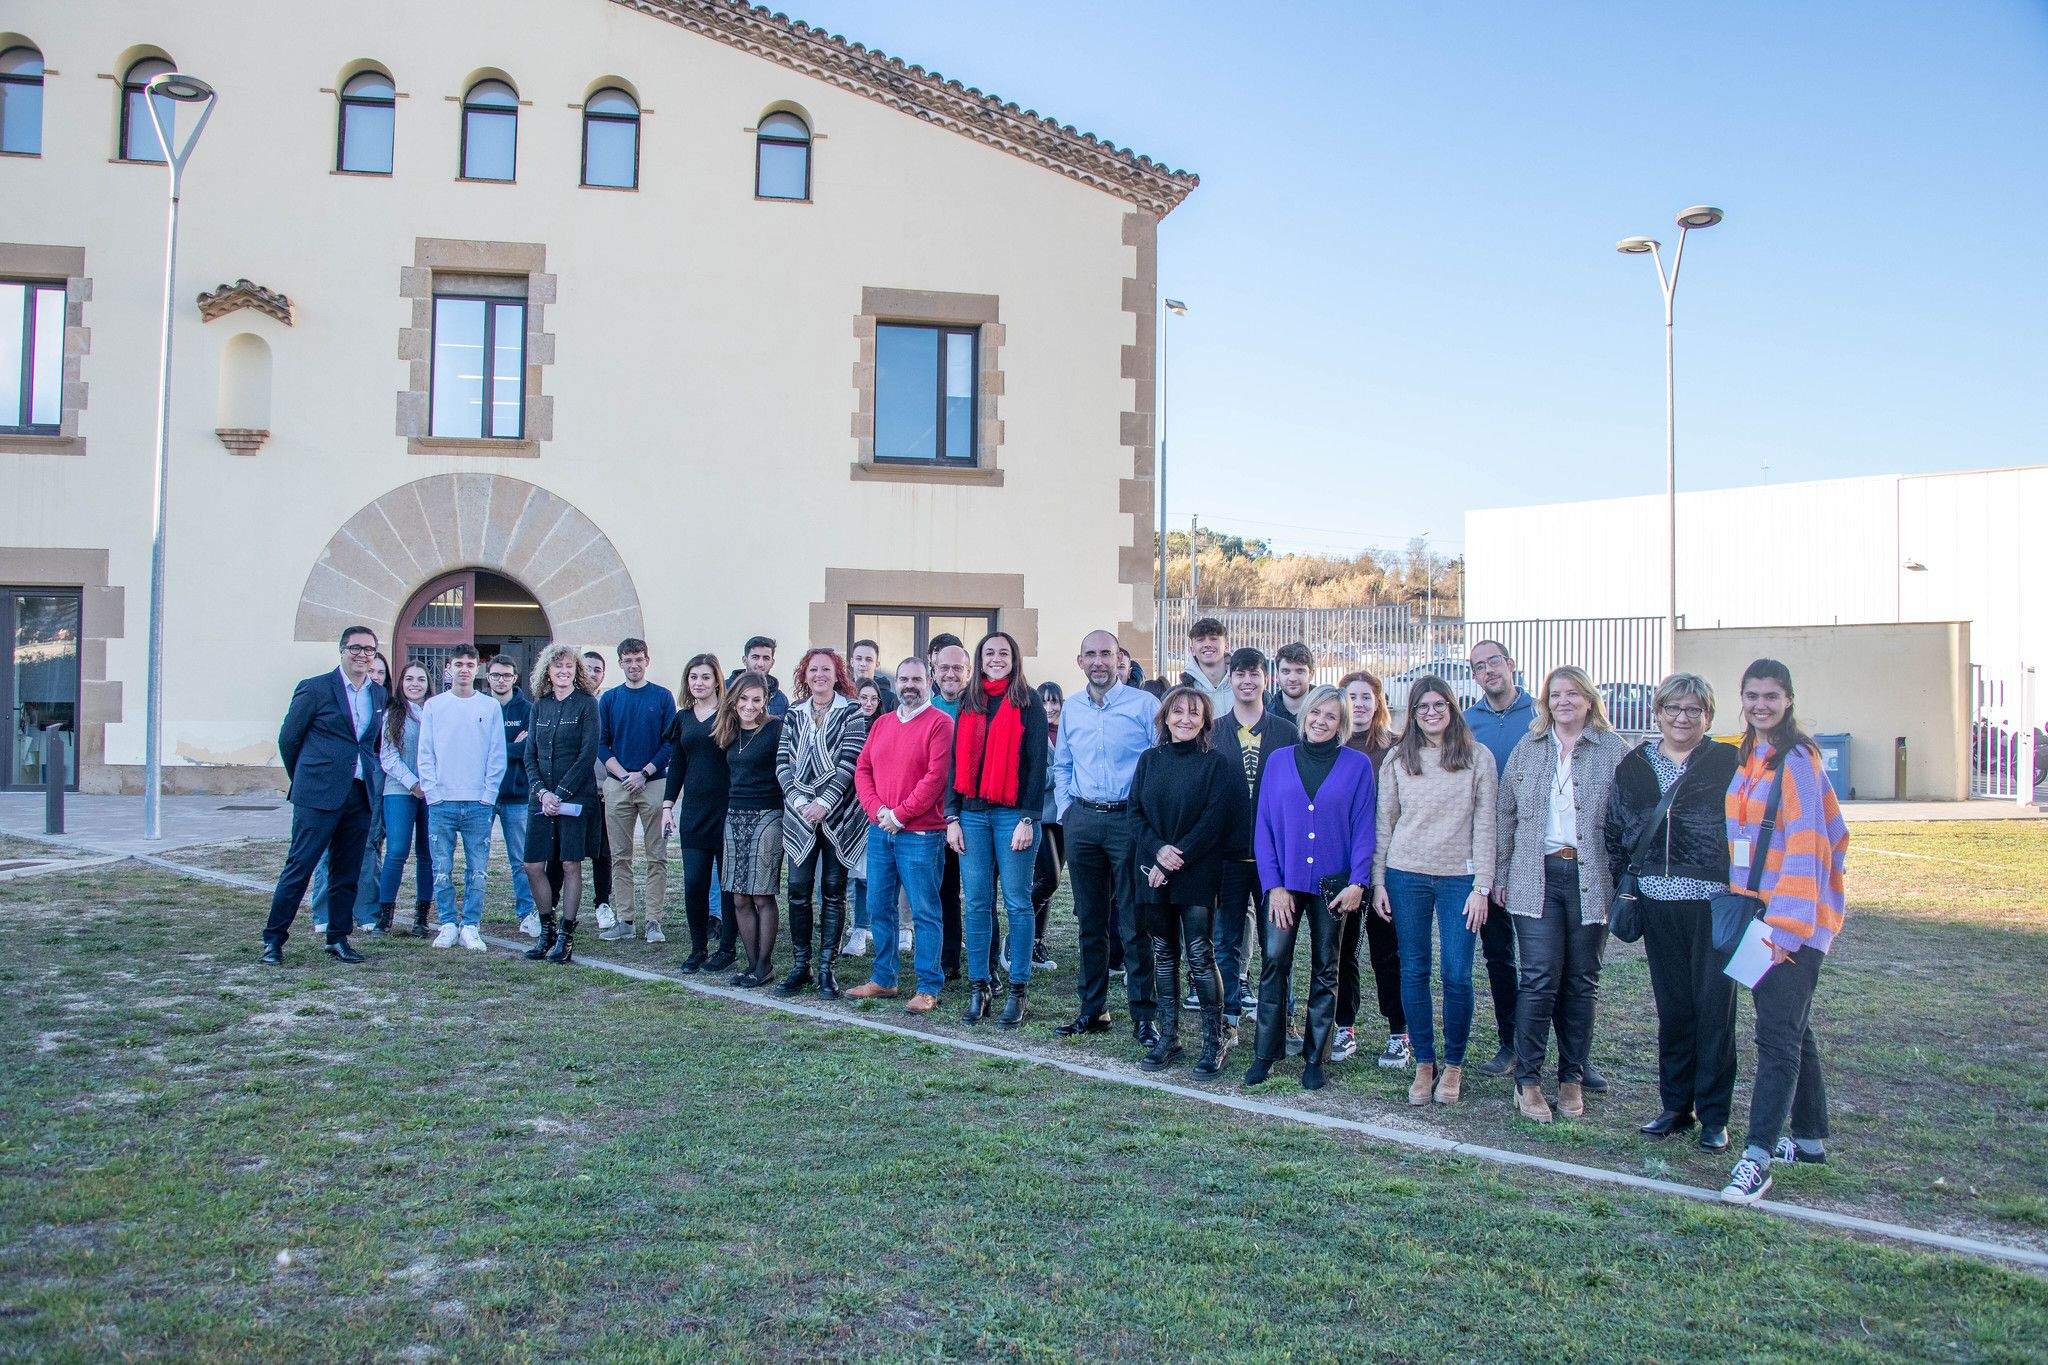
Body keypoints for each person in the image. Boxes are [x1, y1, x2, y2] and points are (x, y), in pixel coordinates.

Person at [1718, 659, 1849, 1206]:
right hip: (1762, 911)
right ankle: (1811, 1140)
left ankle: (1758, 1156)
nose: (1760, 705)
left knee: (1775, 1040)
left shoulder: (1795, 760)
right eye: (1751, 696)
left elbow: (1810, 846)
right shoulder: (1752, 754)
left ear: (1789, 700)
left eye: (1771, 696)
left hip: (1788, 922)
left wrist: (1787, 930)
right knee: (1792, 1026)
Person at [1603, 672, 1741, 1150]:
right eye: (1673, 709)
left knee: (1715, 1010)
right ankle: (1675, 1105)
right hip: (1659, 901)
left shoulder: (1727, 760)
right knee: (1674, 1008)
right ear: (1657, 712)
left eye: (1693, 710)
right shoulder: (1636, 764)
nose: (1682, 718)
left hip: (1712, 903)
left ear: (1708, 716)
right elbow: (1617, 825)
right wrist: (1631, 883)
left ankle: (1715, 1114)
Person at [1494, 666, 1627, 1123]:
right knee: (1538, 977)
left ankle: (1571, 1077)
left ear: (1589, 700)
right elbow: (1505, 815)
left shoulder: (1612, 750)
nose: (1563, 702)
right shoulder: (1528, 750)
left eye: (1573, 694)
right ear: (1545, 702)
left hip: (1591, 878)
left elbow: (1627, 821)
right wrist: (1499, 873)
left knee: (1581, 981)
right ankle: (1527, 1081)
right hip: (1536, 874)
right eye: (1555, 695)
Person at [1371, 676, 1497, 1106]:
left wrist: (1483, 884)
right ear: (1412, 711)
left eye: (1438, 704)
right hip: (1406, 875)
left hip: (1459, 880)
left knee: (1458, 973)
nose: (1430, 712)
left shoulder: (1477, 758)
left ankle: (1454, 1065)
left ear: (1452, 707)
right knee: (1414, 970)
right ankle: (1425, 1063)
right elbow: (1384, 822)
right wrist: (1379, 881)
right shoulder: (1397, 759)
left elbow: (1486, 825)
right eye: (1421, 706)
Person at [1247, 685, 1377, 1090]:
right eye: (1315, 713)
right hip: (1284, 884)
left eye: (1331, 717)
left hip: (1332, 887)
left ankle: (1315, 1057)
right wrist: (1274, 886)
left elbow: (1364, 827)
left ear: (1341, 725)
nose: (1321, 721)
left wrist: (1358, 881)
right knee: (1274, 964)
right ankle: (1265, 1054)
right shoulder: (1279, 761)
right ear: (1305, 716)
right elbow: (1264, 827)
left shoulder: (1356, 766)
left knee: (1327, 968)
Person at [1131, 685, 1246, 1076]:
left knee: (1199, 953)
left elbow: (1214, 820)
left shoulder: (1216, 764)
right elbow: (1136, 815)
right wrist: (1158, 852)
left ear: (1205, 721)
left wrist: (1176, 856)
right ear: (1165, 717)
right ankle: (1169, 1036)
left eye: (1194, 713)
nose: (1185, 719)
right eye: (1177, 711)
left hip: (1196, 871)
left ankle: (1213, 1041)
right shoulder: (1149, 760)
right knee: (1163, 953)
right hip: (1153, 871)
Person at [1052, 630, 1161, 1044]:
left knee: (1134, 922)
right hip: (1082, 822)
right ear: (1080, 661)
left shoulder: (1144, 706)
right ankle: (1092, 1009)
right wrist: (1067, 812)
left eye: (1106, 654)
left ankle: (1143, 1014)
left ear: (1121, 661)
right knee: (1090, 921)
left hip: (1127, 823)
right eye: (1090, 654)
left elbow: (1159, 764)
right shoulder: (1073, 709)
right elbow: (1061, 765)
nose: (1099, 661)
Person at [261, 626, 389, 965]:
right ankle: (273, 940)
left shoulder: (377, 694)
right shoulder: (315, 689)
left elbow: (370, 744)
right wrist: (306, 779)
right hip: (317, 795)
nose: (362, 654)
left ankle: (338, 938)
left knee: (347, 871)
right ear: (342, 650)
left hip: (359, 795)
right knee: (300, 867)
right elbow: (289, 739)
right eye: (356, 648)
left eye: (369, 650)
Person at [946, 630, 1047, 1027]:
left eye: (1003, 652)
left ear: (1014, 658)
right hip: (971, 815)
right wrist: (951, 817)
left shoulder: (1028, 701)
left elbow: (1038, 765)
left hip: (1012, 816)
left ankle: (1019, 988)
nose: (996, 658)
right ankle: (980, 986)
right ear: (980, 658)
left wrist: (1028, 818)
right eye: (989, 652)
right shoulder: (969, 701)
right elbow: (955, 764)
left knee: (1018, 902)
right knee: (976, 903)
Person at [849, 657, 955, 1013]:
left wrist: (899, 814)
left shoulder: (941, 723)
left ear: (929, 683)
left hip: (921, 834)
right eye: (904, 679)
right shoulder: (881, 724)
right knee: (879, 905)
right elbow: (863, 769)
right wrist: (878, 811)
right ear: (895, 684)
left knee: (925, 911)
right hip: (880, 830)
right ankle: (884, 978)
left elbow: (936, 778)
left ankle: (928, 985)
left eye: (917, 679)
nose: (910, 685)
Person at [1208, 647, 1296, 1043]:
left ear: (1266, 679)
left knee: (1276, 942)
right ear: (1231, 678)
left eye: (1254, 674)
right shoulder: (1214, 730)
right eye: (1240, 674)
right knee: (1226, 941)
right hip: (1226, 855)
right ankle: (1228, 1019)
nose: (1247, 681)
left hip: (1272, 859)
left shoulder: (1285, 732)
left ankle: (1281, 1016)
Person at [1464, 638, 1540, 1081]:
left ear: (1511, 664)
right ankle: (1509, 1041)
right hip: (1487, 851)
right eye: (1478, 667)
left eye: (1494, 662)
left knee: (1545, 958)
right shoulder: (1467, 722)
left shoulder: (1540, 715)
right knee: (1498, 954)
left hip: (1535, 851)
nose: (1488, 671)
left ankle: (1568, 1052)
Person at [774, 647, 868, 999]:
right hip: (799, 814)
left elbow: (850, 760)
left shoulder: (852, 711)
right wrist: (799, 801)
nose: (819, 675)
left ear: (837, 673)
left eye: (826, 669)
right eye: (813, 670)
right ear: (804, 674)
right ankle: (801, 966)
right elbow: (782, 761)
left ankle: (827, 968)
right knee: (798, 891)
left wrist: (825, 802)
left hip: (840, 814)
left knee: (833, 890)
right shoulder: (793, 714)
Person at [418, 643, 507, 952]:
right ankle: (446, 922)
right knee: (441, 868)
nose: (465, 669)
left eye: (471, 664)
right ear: (449, 669)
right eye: (459, 664)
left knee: (477, 869)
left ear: (477, 669)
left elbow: (497, 753)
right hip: (442, 801)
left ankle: (470, 924)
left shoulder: (489, 706)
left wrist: (488, 794)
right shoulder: (434, 706)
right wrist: (432, 792)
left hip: (477, 803)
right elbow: (425, 752)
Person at [1337, 669, 1406, 1069]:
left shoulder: (1396, 748)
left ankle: (1399, 1031)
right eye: (1351, 696)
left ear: (1378, 702)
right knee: (1343, 949)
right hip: (1344, 866)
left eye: (1366, 697)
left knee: (1387, 951)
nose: (1358, 704)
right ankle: (1344, 1025)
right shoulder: (1331, 746)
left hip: (1387, 865)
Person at [521, 644, 599, 964]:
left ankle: (566, 935)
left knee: (570, 864)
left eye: (568, 666)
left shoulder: (586, 704)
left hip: (575, 797)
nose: (563, 672)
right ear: (547, 672)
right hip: (542, 798)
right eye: (556, 667)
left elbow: (587, 755)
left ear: (576, 670)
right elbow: (530, 756)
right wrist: (543, 793)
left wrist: (561, 793)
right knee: (533, 865)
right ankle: (546, 929)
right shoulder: (540, 705)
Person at [597, 638, 675, 943]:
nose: (633, 665)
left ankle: (654, 920)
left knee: (657, 856)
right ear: (620, 663)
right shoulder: (609, 699)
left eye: (639, 659)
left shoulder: (662, 697)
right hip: (617, 785)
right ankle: (625, 919)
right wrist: (624, 774)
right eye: (628, 660)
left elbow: (669, 743)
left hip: (654, 783)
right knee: (620, 856)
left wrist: (643, 773)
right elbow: (601, 744)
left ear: (647, 660)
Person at [311, 650, 391, 939]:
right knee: (327, 848)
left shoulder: (383, 702)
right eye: (372, 672)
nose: (375, 677)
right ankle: (323, 911)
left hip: (374, 781)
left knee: (369, 847)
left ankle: (366, 910)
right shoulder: (338, 698)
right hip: (339, 780)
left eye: (381, 673)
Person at [717, 672, 786, 986]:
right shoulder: (727, 731)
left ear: (765, 701)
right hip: (734, 815)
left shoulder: (774, 729)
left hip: (767, 814)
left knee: (761, 895)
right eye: (744, 699)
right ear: (734, 699)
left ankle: (764, 964)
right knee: (739, 897)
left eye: (756, 700)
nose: (749, 705)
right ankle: (749, 962)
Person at [661, 654, 727, 972]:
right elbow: (678, 766)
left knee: (730, 885)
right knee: (694, 884)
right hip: (694, 814)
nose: (698, 683)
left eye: (704, 677)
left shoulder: (730, 715)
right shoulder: (683, 718)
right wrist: (667, 806)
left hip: (727, 811)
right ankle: (698, 948)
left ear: (716, 680)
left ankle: (727, 948)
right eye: (693, 677)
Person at [546, 653, 614, 922]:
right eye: (587, 668)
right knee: (562, 852)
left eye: (598, 669)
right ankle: (550, 902)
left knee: (602, 852)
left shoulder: (604, 704)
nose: (592, 673)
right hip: (569, 790)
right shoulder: (563, 704)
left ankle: (602, 904)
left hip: (601, 789)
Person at [376, 661, 437, 936]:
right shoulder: (393, 712)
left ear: (428, 684)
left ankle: (421, 918)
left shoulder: (436, 711)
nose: (415, 684)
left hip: (432, 792)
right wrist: (413, 783)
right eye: (409, 679)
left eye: (421, 679)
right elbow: (388, 756)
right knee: (397, 850)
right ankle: (384, 916)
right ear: (401, 683)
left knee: (427, 854)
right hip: (400, 788)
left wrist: (429, 785)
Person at [929, 641, 973, 980]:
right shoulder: (926, 709)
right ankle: (948, 959)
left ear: (968, 672)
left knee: (978, 891)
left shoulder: (978, 708)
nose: (950, 673)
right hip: (934, 813)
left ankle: (985, 965)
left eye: (957, 668)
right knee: (944, 888)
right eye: (944, 667)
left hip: (973, 812)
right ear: (934, 671)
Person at [485, 656, 537, 935]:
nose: (501, 680)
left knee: (521, 860)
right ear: (488, 677)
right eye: (496, 675)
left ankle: (527, 913)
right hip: (485, 795)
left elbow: (529, 749)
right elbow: (475, 748)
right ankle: (472, 916)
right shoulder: (480, 706)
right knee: (477, 858)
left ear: (515, 678)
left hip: (517, 795)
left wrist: (495, 747)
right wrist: (510, 745)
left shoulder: (529, 710)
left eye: (506, 675)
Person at [842, 677, 886, 958]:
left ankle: (861, 928)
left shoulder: (884, 727)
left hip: (872, 806)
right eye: (863, 698)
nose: (868, 704)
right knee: (844, 873)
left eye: (873, 699)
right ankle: (849, 923)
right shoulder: (846, 726)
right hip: (846, 807)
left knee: (865, 875)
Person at [1028, 681, 1065, 971]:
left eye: (1055, 702)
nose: (1050, 708)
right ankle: (1019, 936)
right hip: (1040, 815)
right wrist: (1064, 774)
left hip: (1064, 815)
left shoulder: (1067, 732)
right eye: (1045, 702)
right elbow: (1035, 777)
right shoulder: (1032, 732)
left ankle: (1036, 942)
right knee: (1048, 879)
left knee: (1049, 885)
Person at [1178, 616, 1233, 715]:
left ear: (1226, 646)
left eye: (1213, 639)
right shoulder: (1178, 694)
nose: (1207, 644)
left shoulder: (1246, 689)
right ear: (1192, 650)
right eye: (1200, 640)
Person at [728, 636, 790, 717]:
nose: (760, 664)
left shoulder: (780, 699)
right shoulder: (726, 690)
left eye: (766, 658)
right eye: (755, 657)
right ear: (745, 660)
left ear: (772, 663)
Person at [1268, 642, 1314, 724]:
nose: (1292, 678)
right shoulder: (1266, 717)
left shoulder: (1328, 712)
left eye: (1300, 671)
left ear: (1311, 674)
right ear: (1277, 676)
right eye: (1286, 671)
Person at [850, 638, 896, 712]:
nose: (863, 664)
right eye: (859, 659)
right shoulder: (842, 696)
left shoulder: (890, 700)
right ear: (852, 662)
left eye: (869, 659)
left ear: (877, 664)